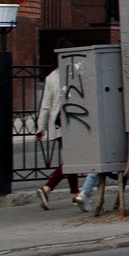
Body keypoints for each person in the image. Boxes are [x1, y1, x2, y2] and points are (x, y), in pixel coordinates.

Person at [35, 41, 79, 210]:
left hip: (58, 123)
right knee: (71, 159)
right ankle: (47, 188)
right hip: (74, 121)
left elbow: (46, 105)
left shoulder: (51, 77)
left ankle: (75, 194)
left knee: (70, 157)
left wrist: (41, 128)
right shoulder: (75, 73)